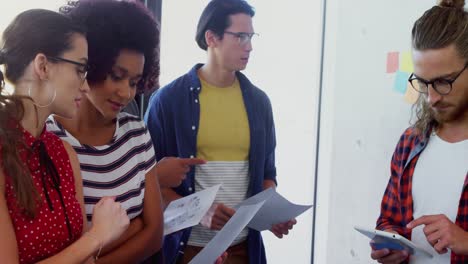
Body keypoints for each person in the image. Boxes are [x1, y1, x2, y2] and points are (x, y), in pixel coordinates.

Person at [144, 0, 296, 263]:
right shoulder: (168, 101)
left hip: (243, 248)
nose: (249, 46)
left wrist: (272, 213)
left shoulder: (259, 103)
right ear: (211, 37)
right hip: (185, 248)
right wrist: (199, 210)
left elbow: (267, 177)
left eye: (251, 36)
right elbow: (147, 183)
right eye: (240, 36)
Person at [0, 9, 129, 264]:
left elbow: (84, 256)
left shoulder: (63, 153)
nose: (85, 85)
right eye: (80, 69)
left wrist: (94, 242)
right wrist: (98, 236)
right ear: (43, 66)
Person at [46, 0, 168, 263]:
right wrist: (134, 227)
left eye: (134, 82)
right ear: (89, 65)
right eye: (116, 76)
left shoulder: (136, 134)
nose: (126, 93)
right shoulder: (48, 140)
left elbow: (155, 234)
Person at [372, 0, 468, 263]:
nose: (432, 98)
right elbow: (389, 220)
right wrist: (391, 243)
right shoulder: (410, 142)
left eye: (443, 82)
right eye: (423, 83)